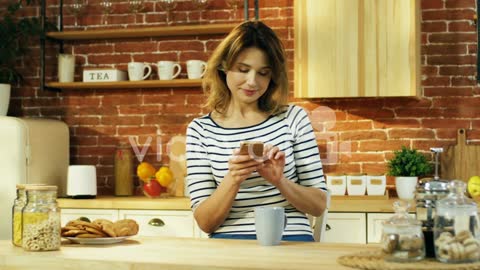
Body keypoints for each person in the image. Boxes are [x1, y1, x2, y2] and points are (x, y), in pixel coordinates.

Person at [185, 20, 328, 242]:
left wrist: (280, 180)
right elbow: (205, 222)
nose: (252, 82)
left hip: (290, 240)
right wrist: (233, 178)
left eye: (263, 73)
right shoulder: (200, 130)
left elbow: (319, 205)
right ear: (224, 67)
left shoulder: (293, 118)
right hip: (229, 244)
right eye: (243, 70)